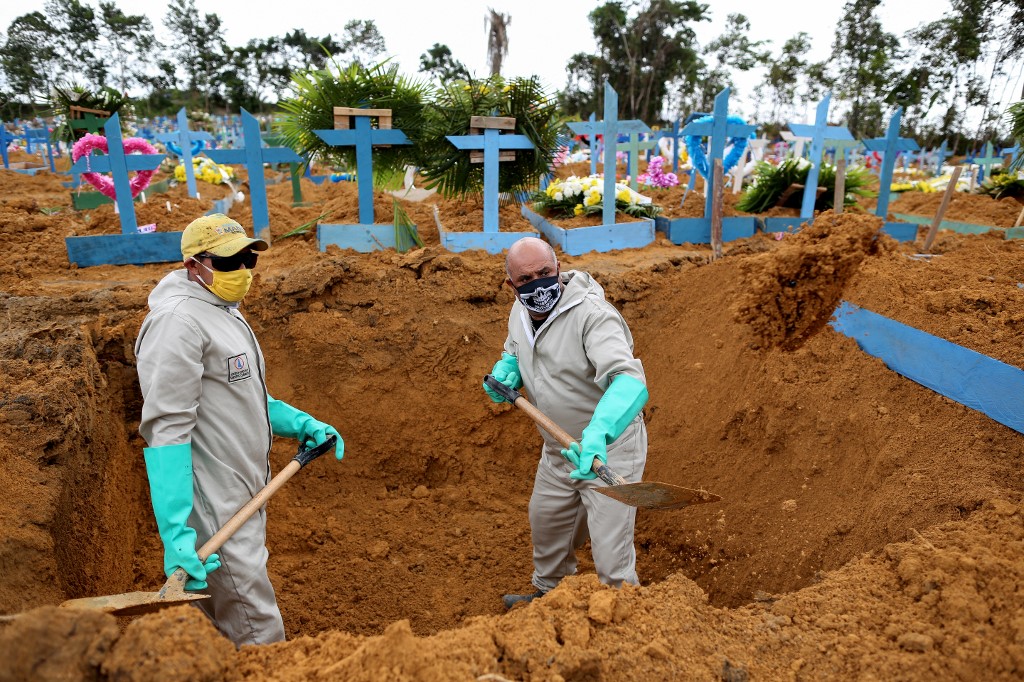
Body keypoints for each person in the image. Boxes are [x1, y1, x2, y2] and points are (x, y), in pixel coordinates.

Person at [135, 213, 342, 646]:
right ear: (195, 264)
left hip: (242, 486)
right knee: (255, 626)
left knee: (222, 622)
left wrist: (299, 423)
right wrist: (176, 532)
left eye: (248, 259)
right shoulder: (178, 323)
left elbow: (244, 395)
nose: (243, 272)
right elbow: (166, 430)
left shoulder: (221, 311)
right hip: (215, 502)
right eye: (229, 263)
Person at [483, 236, 649, 608]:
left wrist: (598, 434)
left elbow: (628, 380)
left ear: (558, 268)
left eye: (545, 273)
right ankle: (550, 597)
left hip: (608, 451)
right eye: (526, 279)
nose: (538, 284)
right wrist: (508, 370)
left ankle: (626, 616)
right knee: (548, 524)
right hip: (558, 449)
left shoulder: (593, 315)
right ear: (512, 286)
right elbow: (516, 349)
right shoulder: (519, 314)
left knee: (611, 551)